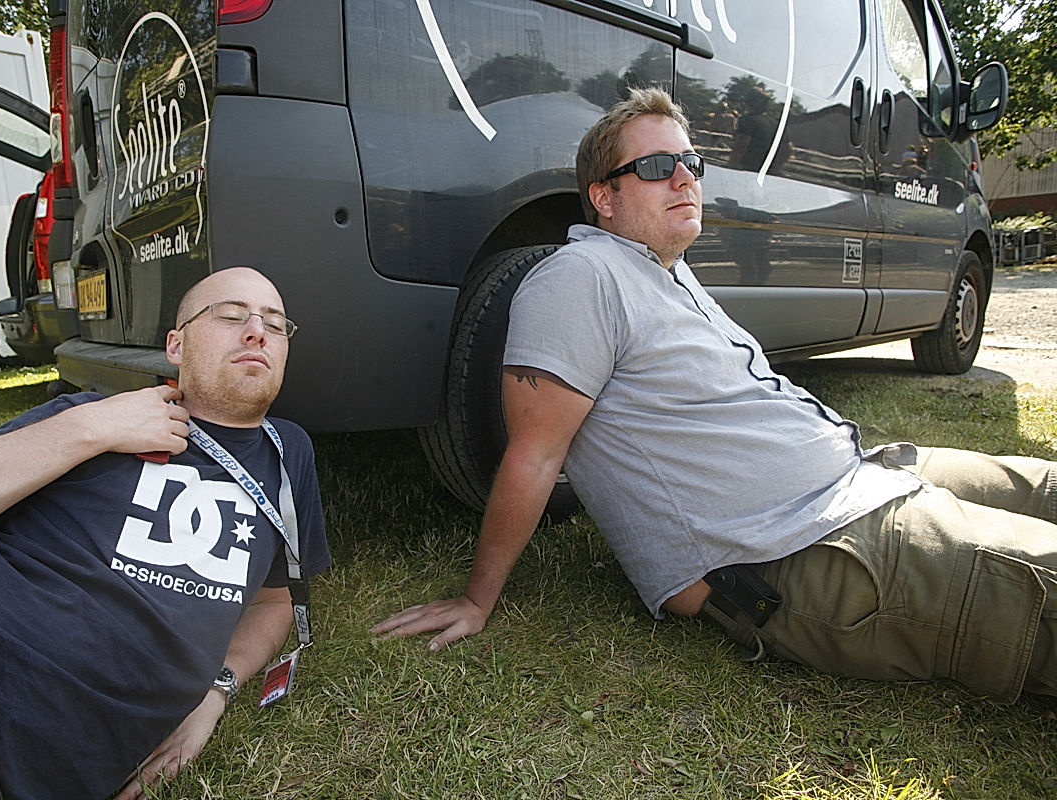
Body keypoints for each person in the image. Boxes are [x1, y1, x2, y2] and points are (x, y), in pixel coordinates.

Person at [372, 87, 1057, 704]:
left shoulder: (670, 274)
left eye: (690, 162)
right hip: (810, 547)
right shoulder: (578, 275)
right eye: (653, 167)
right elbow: (534, 455)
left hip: (866, 474)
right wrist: (475, 598)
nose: (683, 178)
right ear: (603, 196)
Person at [0, 267, 331, 799]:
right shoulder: (95, 416)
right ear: (176, 345)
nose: (256, 330)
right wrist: (91, 429)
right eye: (230, 315)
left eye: (275, 322)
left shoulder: (289, 457)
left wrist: (214, 693)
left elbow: (274, 601)